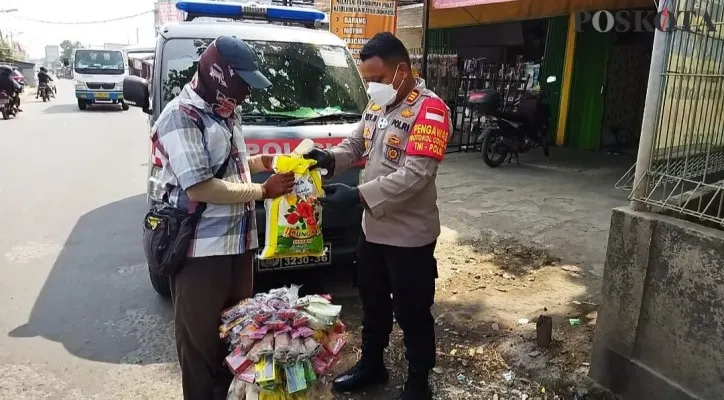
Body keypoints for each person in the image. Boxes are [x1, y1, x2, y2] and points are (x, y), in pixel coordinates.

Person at [304, 32, 452, 400]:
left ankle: (419, 380)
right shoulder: (377, 108)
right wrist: (329, 158)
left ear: (402, 71)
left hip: (409, 236)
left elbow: (416, 174)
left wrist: (357, 196)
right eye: (368, 80)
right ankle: (373, 364)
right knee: (371, 300)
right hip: (373, 229)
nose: (373, 87)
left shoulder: (430, 111)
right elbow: (355, 144)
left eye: (379, 79)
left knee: (412, 309)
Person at [152, 36, 295, 400]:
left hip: (238, 246)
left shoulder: (226, 111)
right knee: (201, 348)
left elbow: (224, 168)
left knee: (237, 341)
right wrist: (264, 191)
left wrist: (261, 164)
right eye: (243, 82)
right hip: (202, 252)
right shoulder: (181, 116)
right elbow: (200, 186)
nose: (247, 91)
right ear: (220, 74)